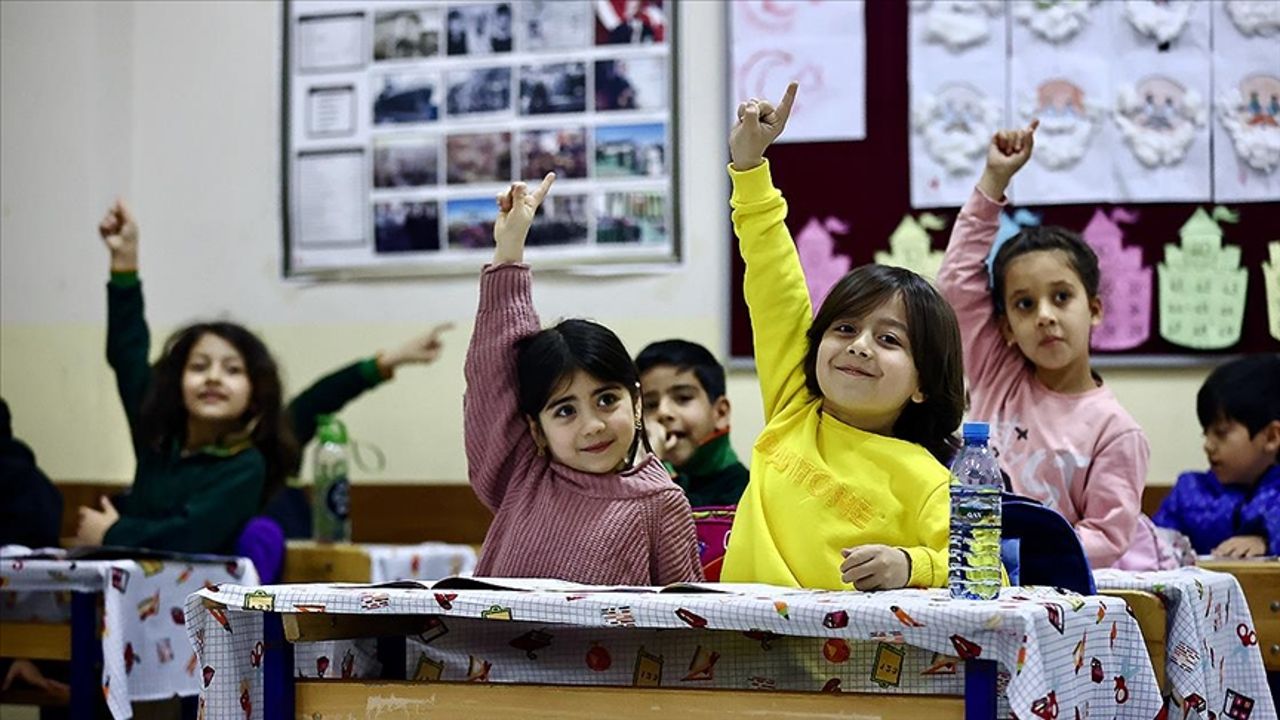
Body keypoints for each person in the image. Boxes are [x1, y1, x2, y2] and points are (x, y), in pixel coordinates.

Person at [722, 83, 965, 591]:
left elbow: (990, 574)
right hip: (735, 654)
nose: (859, 346)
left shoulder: (926, 479)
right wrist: (749, 169)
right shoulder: (795, 406)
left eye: (890, 341)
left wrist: (910, 565)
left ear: (922, 384)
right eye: (846, 328)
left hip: (841, 669)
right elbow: (775, 282)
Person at [464, 173, 701, 585]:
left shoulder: (661, 503)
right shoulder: (523, 474)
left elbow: (686, 622)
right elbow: (493, 376)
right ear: (536, 430)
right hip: (487, 652)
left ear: (638, 403)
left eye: (607, 400)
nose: (592, 425)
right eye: (565, 410)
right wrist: (508, 252)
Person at [936, 121, 1154, 570]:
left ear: (1094, 308)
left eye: (1061, 297)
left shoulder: (1116, 431)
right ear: (1008, 327)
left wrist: (1014, 555)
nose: (1045, 316)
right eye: (1024, 303)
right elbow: (957, 282)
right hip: (976, 578)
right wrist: (994, 180)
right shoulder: (998, 372)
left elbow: (1107, 537)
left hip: (1053, 596)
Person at [70, 200, 298, 555]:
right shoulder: (158, 439)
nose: (213, 378)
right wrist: (124, 262)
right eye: (198, 366)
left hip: (197, 602)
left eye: (232, 370)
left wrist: (113, 532)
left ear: (254, 395)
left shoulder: (245, 465)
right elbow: (127, 354)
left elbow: (190, 535)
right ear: (177, 384)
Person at [1154, 354, 1280, 558]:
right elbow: (1154, 544)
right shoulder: (1188, 492)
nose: (1208, 446)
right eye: (1206, 433)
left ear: (1272, 437)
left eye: (1221, 432)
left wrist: (1266, 542)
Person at [636, 340, 748, 508]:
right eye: (650, 404)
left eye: (683, 398)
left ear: (720, 413)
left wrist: (652, 474)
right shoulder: (629, 479)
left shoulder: (747, 492)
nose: (663, 412)